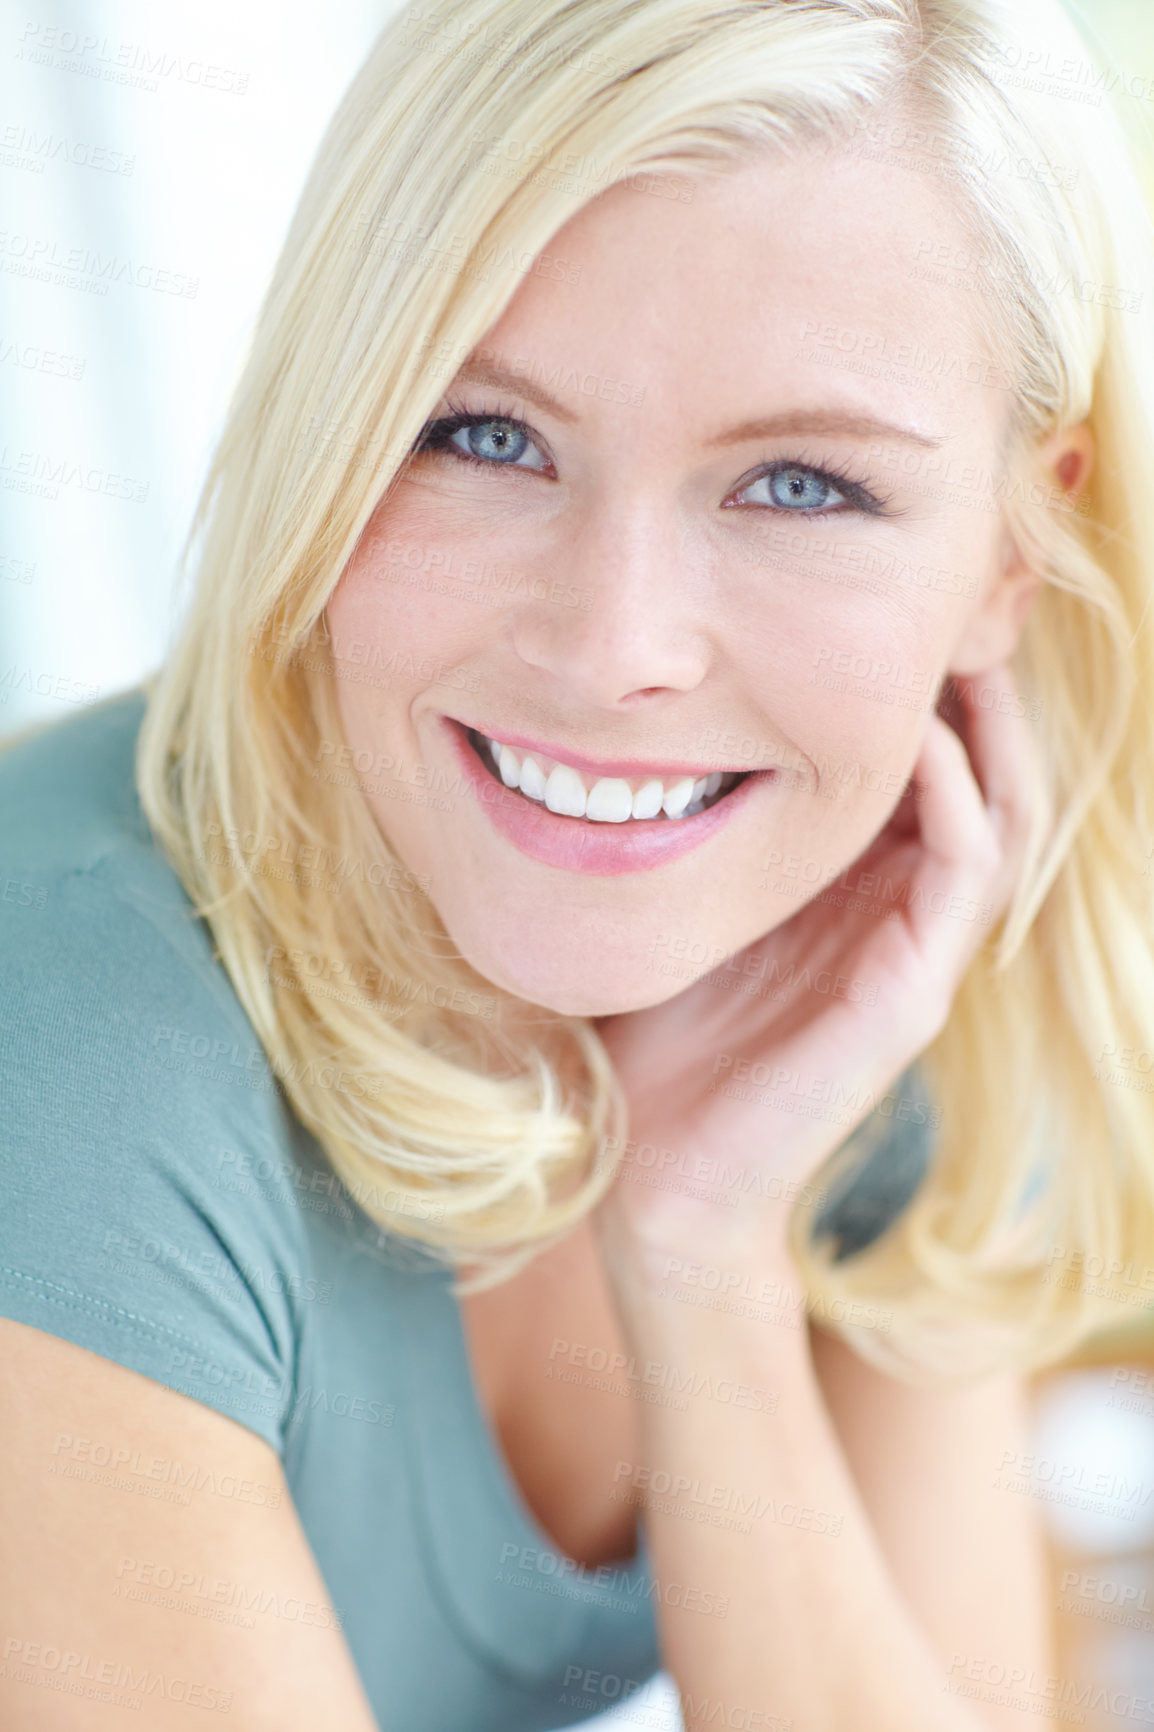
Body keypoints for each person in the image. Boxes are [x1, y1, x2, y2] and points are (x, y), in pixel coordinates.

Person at [2, 0, 1152, 1726]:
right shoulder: (66, 1033)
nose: (614, 647)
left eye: (800, 485)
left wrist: (699, 1251)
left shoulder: (877, 937)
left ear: (1011, 544)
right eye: (483, 437)